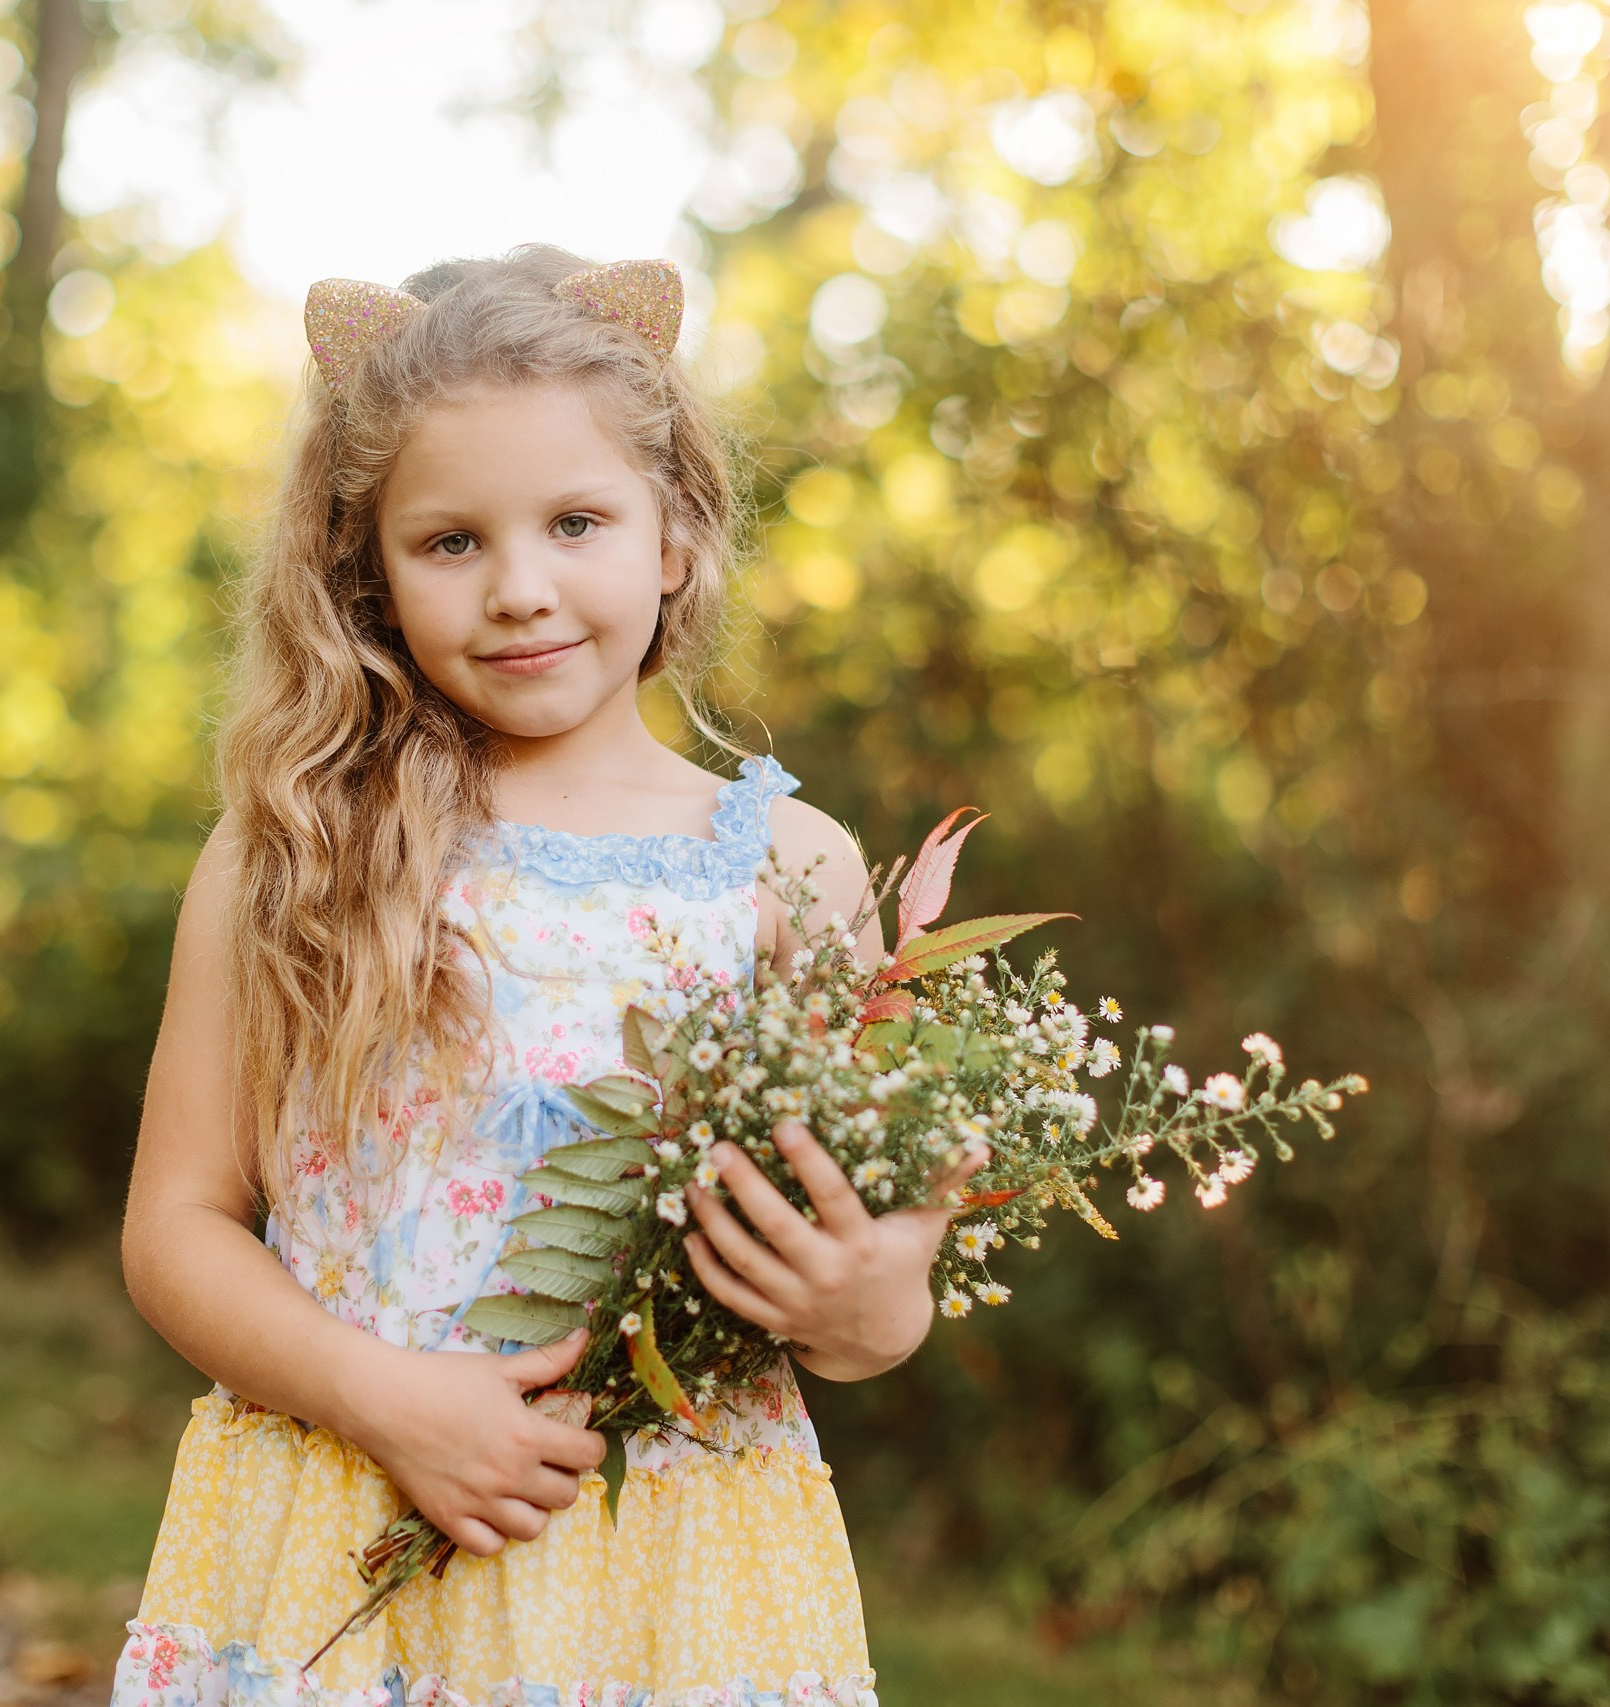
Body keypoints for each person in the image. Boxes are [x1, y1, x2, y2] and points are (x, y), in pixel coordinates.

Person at [113, 245, 980, 1707]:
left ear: (673, 534)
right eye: (450, 541)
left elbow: (864, 1282)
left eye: (576, 521)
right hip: (340, 1526)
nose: (521, 589)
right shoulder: (294, 850)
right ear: (367, 574)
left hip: (674, 1574)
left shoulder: (793, 871)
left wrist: (875, 1301)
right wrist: (380, 1397)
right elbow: (177, 1227)